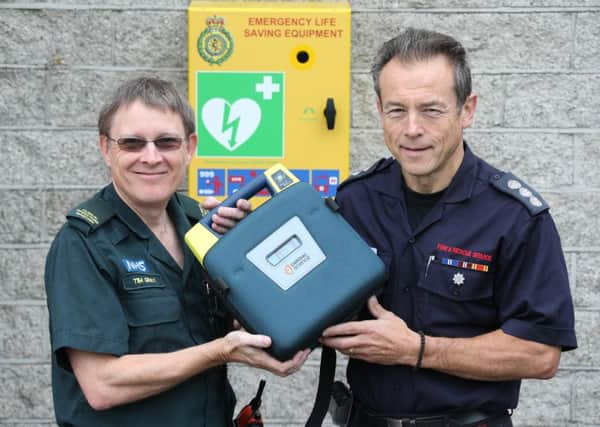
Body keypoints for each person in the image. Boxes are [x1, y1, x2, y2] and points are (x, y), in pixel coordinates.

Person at [319, 28, 577, 426]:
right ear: (378, 109)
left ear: (467, 110)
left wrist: (416, 350)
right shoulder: (355, 201)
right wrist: (239, 238)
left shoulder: (514, 218)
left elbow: (541, 354)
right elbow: (301, 297)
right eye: (396, 110)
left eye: (431, 110)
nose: (412, 129)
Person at [44, 77, 310, 427]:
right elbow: (102, 384)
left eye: (167, 142)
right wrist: (220, 352)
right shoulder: (83, 244)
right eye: (132, 143)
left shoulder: (202, 226)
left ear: (190, 147)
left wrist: (247, 252)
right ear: (106, 149)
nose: (151, 157)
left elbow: (239, 319)